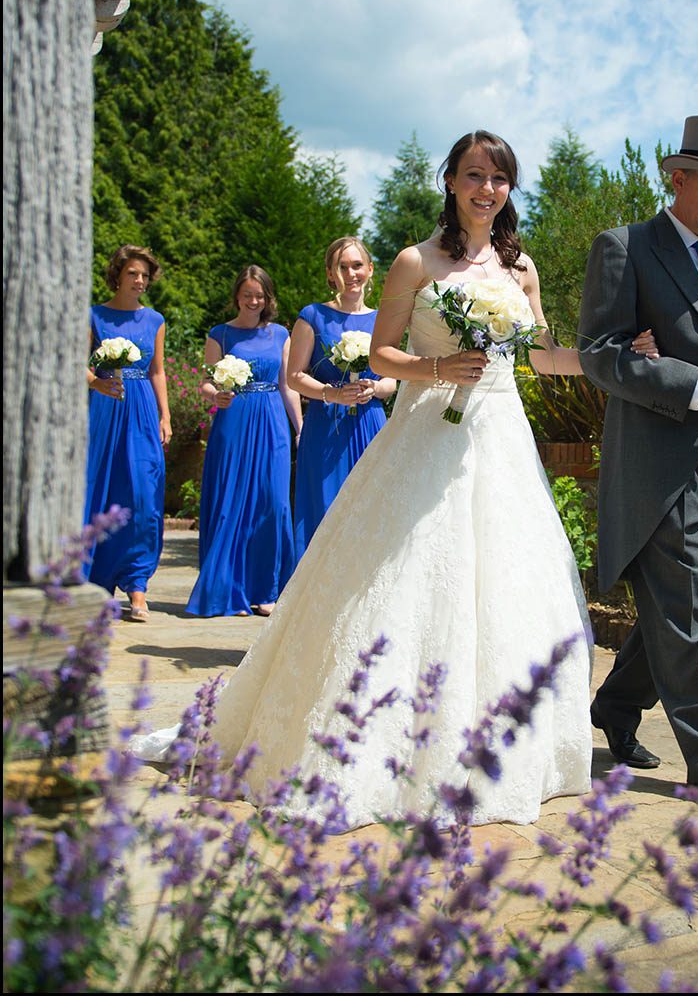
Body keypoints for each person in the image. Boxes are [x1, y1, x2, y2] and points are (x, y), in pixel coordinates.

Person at [135, 130, 657, 830]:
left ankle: (494, 754)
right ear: (450, 182)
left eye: (499, 179)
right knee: (401, 580)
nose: (486, 189)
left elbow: (540, 357)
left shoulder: (521, 267)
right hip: (426, 431)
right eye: (474, 175)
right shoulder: (416, 261)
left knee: (505, 588)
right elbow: (383, 350)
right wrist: (438, 370)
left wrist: (613, 356)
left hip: (499, 438)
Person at [578, 114, 698, 821]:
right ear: (677, 178)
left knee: (685, 608)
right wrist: (689, 383)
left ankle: (616, 703)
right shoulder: (625, 248)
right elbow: (601, 353)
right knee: (687, 617)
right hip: (659, 467)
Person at [185, 265, 303, 618]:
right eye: (247, 294)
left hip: (271, 422)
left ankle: (266, 590)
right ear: (237, 295)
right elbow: (206, 382)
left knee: (274, 503)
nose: (253, 301)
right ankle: (229, 592)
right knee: (231, 503)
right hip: (233, 421)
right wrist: (214, 394)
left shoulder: (281, 334)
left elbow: (288, 385)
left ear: (268, 298)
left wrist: (299, 427)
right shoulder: (219, 334)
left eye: (260, 295)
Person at [287, 237, 397, 558]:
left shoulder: (384, 319)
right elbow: (294, 377)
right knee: (326, 508)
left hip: (371, 423)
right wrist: (331, 394)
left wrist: (375, 389)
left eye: (357, 265)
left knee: (371, 508)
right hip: (326, 427)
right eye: (342, 267)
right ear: (330, 274)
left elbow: (393, 378)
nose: (351, 273)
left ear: (370, 269)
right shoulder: (313, 316)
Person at [83, 244, 171, 622]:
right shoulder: (93, 315)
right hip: (104, 409)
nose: (139, 280)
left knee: (143, 495)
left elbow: (157, 371)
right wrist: (95, 382)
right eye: (133, 273)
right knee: (100, 490)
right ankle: (96, 583)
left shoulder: (155, 320)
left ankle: (137, 586)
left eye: (145, 276)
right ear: (118, 274)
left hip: (142, 411)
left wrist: (165, 415)